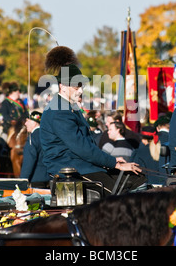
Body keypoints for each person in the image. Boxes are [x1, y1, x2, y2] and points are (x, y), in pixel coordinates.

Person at [40, 46, 142, 196]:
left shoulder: (68, 107)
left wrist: (113, 161)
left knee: (139, 181)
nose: (80, 91)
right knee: (119, 195)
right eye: (76, 86)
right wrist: (114, 163)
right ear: (62, 86)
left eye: (81, 86)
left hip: (82, 166)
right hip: (69, 170)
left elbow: (87, 145)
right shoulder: (59, 111)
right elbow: (81, 148)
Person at [20, 111, 49, 188]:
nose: (25, 124)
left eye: (28, 121)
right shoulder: (49, 136)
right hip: (51, 178)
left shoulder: (32, 138)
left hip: (36, 180)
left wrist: (22, 181)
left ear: (34, 123)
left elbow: (29, 161)